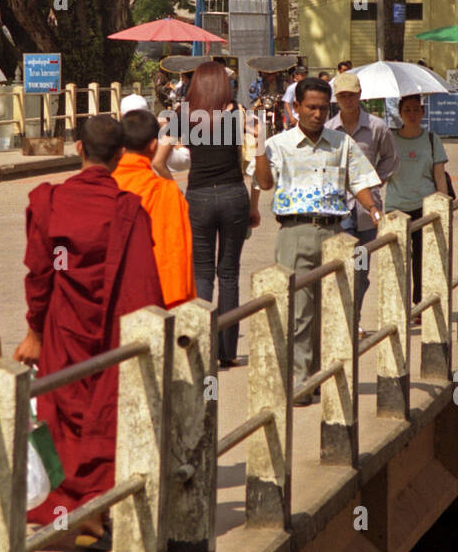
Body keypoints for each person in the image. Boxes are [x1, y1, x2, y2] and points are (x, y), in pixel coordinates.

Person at [15, 116, 164, 548]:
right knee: (104, 414)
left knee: (58, 415)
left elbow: (40, 274)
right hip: (112, 331)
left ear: (78, 148)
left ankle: (64, 507)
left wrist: (35, 332)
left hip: (62, 328)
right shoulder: (128, 209)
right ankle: (95, 511)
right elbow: (143, 282)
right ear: (121, 157)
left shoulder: (51, 202)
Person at [255, 77, 382, 403]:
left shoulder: (342, 143)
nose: (317, 114)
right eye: (310, 107)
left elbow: (360, 181)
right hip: (294, 234)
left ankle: (323, 375)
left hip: (334, 233)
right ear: (296, 107)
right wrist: (256, 149)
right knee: (298, 310)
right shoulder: (279, 144)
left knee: (334, 307)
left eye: (323, 108)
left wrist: (374, 209)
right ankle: (300, 382)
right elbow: (265, 183)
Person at [179, 62, 258, 368]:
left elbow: (160, 159)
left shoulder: (184, 116)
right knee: (228, 274)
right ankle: (227, 351)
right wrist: (253, 206)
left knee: (201, 273)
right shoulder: (242, 115)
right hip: (233, 195)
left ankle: (201, 348)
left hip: (197, 196)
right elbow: (254, 163)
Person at [325, 72, 399, 328]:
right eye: (342, 95)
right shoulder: (328, 130)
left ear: (359, 95)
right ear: (336, 98)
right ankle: (344, 322)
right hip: (338, 209)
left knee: (361, 270)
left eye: (351, 95)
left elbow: (390, 157)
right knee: (342, 267)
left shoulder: (377, 126)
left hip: (368, 212)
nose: (347, 100)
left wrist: (375, 181)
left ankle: (353, 316)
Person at [112, 108, 195, 308]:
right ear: (153, 146)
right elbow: (175, 256)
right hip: (154, 301)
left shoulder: (103, 185)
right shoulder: (167, 193)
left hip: (109, 298)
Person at [384, 94, 450, 306]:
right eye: (407, 110)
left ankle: (420, 303)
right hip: (396, 209)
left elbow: (439, 174)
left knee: (424, 260)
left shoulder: (431, 139)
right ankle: (397, 305)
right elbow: (379, 172)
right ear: (400, 113)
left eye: (416, 110)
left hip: (425, 206)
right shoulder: (389, 139)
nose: (412, 115)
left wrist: (443, 206)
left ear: (423, 112)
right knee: (396, 261)